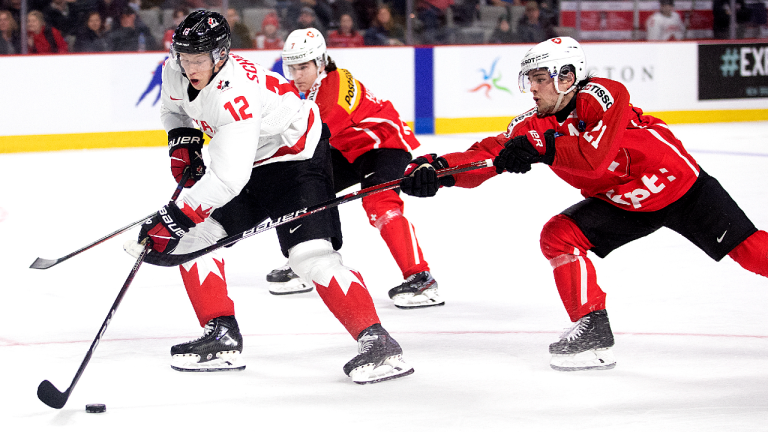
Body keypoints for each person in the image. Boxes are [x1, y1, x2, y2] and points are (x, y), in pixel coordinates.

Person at [400, 36, 768, 371]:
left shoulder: (604, 94)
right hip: (621, 203)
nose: (533, 87)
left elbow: (595, 157)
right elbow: (486, 155)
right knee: (559, 235)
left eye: (541, 78)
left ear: (567, 76)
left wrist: (542, 151)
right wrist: (440, 169)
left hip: (681, 188)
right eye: (530, 79)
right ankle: (592, 328)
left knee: (752, 253)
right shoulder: (532, 125)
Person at [122, 10, 414, 384]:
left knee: (310, 256)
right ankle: (221, 335)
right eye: (184, 56)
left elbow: (228, 179)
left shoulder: (235, 94)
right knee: (196, 239)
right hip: (249, 157)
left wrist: (174, 217)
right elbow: (173, 108)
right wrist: (183, 142)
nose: (189, 66)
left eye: (198, 59)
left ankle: (379, 343)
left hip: (296, 160)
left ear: (221, 55)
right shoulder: (175, 68)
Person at [268, 28, 443, 309]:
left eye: (303, 67)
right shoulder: (305, 90)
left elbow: (316, 135)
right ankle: (309, 262)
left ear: (320, 62)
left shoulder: (337, 83)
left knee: (379, 202)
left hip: (384, 145)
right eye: (292, 67)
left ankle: (421, 278)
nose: (297, 75)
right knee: (304, 192)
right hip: (348, 151)